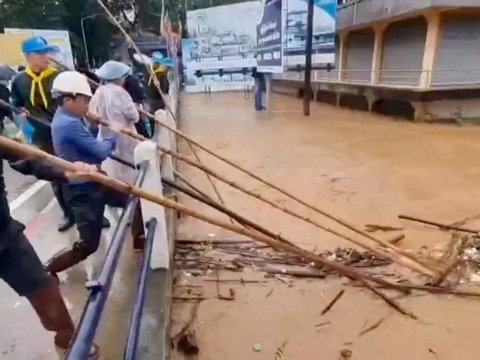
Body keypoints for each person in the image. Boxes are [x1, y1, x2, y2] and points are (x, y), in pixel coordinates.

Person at [0, 144, 100, 358]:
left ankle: (67, 338)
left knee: (44, 290)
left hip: (4, 236)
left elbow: (25, 156)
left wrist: (66, 173)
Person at [45, 71, 145, 275]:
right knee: (89, 244)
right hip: (82, 189)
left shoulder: (68, 116)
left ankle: (140, 241)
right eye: (83, 100)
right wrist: (114, 133)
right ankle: (47, 270)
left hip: (94, 178)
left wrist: (93, 123)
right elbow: (99, 152)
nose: (87, 106)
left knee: (133, 199)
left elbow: (87, 140)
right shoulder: (69, 124)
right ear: (67, 99)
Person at [11, 37, 110, 232]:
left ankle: (97, 213)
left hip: (69, 134)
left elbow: (77, 100)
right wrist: (21, 114)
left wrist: (87, 112)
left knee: (86, 172)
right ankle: (68, 213)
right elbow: (17, 103)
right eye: (41, 53)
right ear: (29, 56)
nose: (46, 57)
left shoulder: (59, 77)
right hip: (43, 136)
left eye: (47, 52)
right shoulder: (20, 80)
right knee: (57, 178)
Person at [90, 60, 139, 184]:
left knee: (111, 166)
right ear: (119, 78)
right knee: (128, 168)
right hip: (125, 136)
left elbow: (92, 114)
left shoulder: (99, 92)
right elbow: (134, 116)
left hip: (105, 135)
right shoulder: (120, 92)